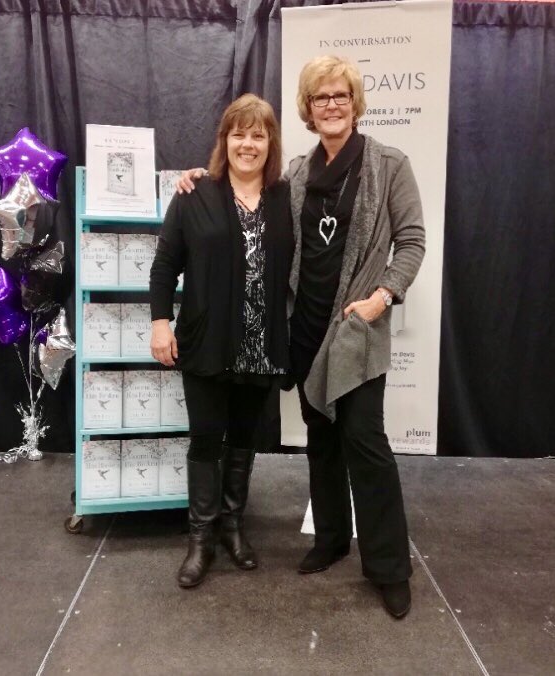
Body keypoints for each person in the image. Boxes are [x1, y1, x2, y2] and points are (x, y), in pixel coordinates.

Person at [177, 56, 425, 618]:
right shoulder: (296, 173)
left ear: (355, 103)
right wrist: (196, 177)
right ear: (308, 109)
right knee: (322, 441)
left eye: (340, 96)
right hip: (305, 333)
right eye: (320, 98)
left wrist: (382, 296)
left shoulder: (389, 164)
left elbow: (411, 240)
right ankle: (332, 538)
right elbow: (243, 191)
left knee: (364, 440)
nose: (331, 105)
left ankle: (389, 567)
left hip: (357, 330)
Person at [149, 94, 293, 589]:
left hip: (261, 346)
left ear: (269, 142)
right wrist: (159, 321)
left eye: (258, 134)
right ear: (224, 140)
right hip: (207, 342)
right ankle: (201, 539)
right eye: (239, 133)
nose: (248, 143)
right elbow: (165, 265)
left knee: (244, 441)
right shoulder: (195, 193)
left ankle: (234, 527)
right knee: (206, 441)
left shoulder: (285, 198)